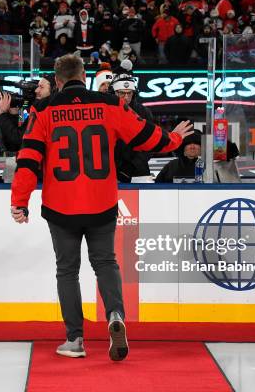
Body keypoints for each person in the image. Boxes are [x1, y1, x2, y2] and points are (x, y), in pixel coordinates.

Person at [10, 54, 193, 361]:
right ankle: (116, 316)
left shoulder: (42, 110)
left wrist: (19, 202)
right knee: (105, 263)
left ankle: (75, 340)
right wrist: (174, 138)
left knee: (67, 271)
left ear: (57, 80)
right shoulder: (109, 105)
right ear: (84, 75)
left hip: (60, 205)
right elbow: (146, 137)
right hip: (101, 202)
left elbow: (28, 160)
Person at [109, 69, 156, 182]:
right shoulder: (107, 112)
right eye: (122, 93)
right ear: (114, 92)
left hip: (139, 172)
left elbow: (151, 143)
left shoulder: (144, 112)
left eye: (129, 93)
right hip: (111, 172)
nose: (126, 97)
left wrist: (130, 167)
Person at [0, 74, 56, 152]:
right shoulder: (40, 110)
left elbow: (19, 139)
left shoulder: (42, 113)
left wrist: (2, 114)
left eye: (41, 87)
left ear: (53, 90)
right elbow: (13, 146)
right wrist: (12, 116)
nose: (36, 90)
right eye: (37, 86)